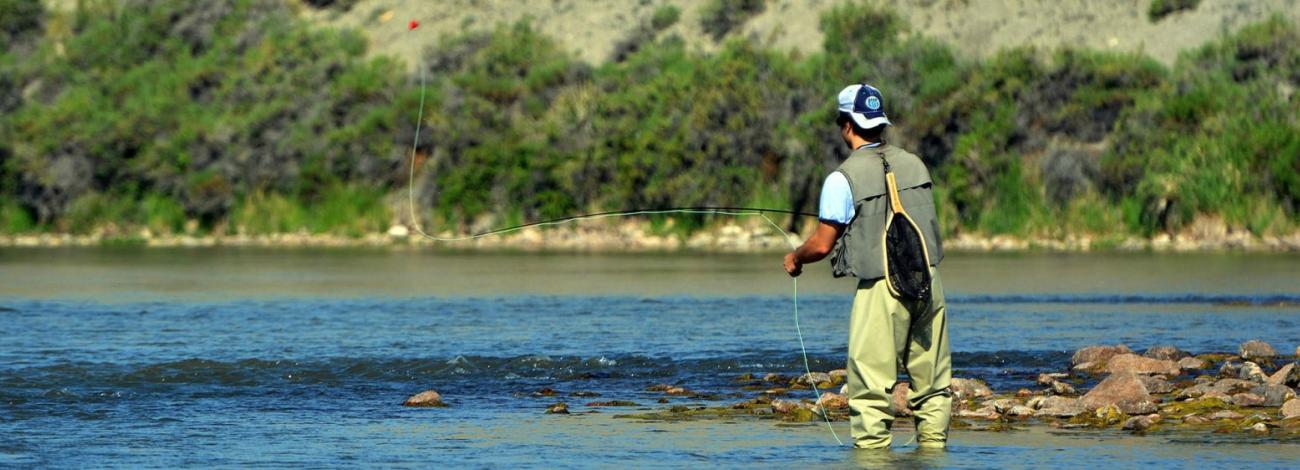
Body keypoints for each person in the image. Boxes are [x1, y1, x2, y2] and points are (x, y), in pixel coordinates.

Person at [783, 83, 952, 450]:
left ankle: (873, 460)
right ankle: (935, 456)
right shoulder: (916, 163)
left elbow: (823, 244)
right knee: (935, 385)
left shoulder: (841, 179)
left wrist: (795, 257)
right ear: (880, 122)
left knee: (870, 391)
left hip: (880, 289)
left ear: (846, 125)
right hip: (929, 281)